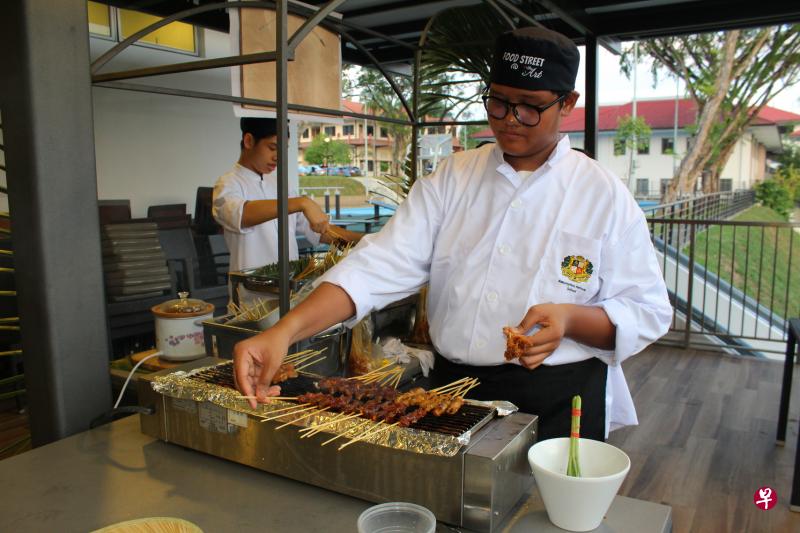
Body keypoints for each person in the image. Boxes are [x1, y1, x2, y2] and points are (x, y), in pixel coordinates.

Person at [232, 28, 672, 441]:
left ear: (567, 103)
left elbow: (647, 310)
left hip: (558, 396)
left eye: (529, 106)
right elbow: (378, 264)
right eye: (498, 102)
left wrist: (572, 319)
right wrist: (284, 331)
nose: (510, 120)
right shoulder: (454, 178)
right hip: (454, 390)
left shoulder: (602, 195)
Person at [213, 117, 361, 304]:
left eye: (283, 150)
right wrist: (302, 203)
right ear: (249, 141)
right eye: (273, 148)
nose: (278, 157)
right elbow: (241, 215)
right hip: (252, 301)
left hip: (291, 294)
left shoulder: (280, 185)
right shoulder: (228, 184)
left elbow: (321, 233)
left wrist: (365, 241)